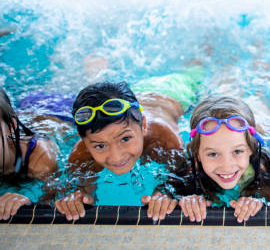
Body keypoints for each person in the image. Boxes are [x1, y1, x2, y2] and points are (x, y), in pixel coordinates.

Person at [53, 72, 202, 222]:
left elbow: (186, 181)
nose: (116, 156)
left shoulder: (164, 139)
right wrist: (77, 195)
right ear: (84, 141)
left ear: (143, 126)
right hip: (137, 92)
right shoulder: (80, 154)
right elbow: (74, 188)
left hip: (174, 91)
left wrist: (167, 193)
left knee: (194, 71)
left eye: (125, 138)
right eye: (100, 146)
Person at [178, 96, 270, 223]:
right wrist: (188, 199)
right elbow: (166, 192)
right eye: (213, 154)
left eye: (237, 151)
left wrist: (261, 201)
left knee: (261, 106)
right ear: (197, 154)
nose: (226, 166)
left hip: (264, 126)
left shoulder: (268, 167)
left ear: (251, 149)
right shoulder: (187, 169)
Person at [0, 87, 59, 219]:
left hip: (54, 110)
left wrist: (30, 205)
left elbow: (52, 206)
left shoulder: (41, 161)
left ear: (10, 127)